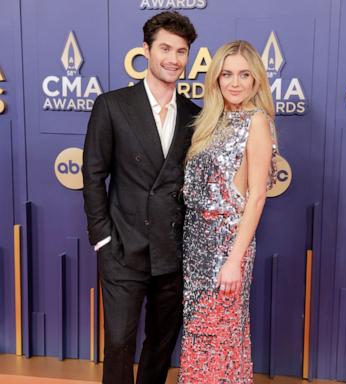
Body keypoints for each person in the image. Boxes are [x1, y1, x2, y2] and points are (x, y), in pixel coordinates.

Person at [82, 11, 199, 384]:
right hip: (122, 248)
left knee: (161, 345)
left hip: (173, 251)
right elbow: (93, 174)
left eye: (181, 51)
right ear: (146, 50)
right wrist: (103, 237)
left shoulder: (195, 116)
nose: (173, 59)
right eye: (165, 48)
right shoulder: (112, 105)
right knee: (118, 343)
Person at [178, 40, 278, 382]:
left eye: (244, 75)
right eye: (227, 74)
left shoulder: (257, 122)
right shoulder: (211, 122)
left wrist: (234, 259)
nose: (235, 82)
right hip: (195, 246)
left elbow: (256, 197)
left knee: (217, 336)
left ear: (256, 81)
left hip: (227, 246)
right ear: (216, 79)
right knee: (200, 339)